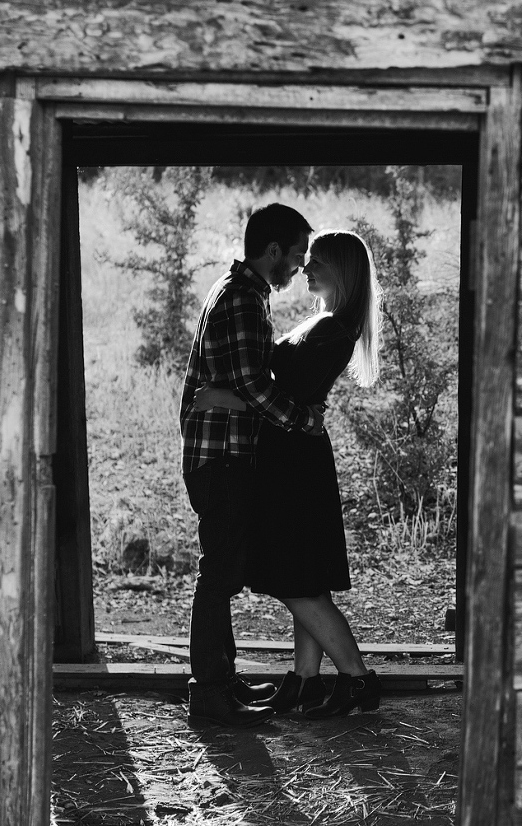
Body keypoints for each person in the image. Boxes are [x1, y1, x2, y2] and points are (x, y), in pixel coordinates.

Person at [194, 229, 383, 720]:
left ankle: (359, 679)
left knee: (296, 581)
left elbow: (280, 399)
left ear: (341, 270)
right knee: (303, 576)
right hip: (291, 456)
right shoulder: (323, 321)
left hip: (295, 462)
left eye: (316, 261)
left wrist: (219, 398)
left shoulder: (334, 330)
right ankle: (303, 679)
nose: (306, 268)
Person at [178, 203, 324, 728]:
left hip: (220, 452)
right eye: (296, 256)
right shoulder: (242, 300)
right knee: (218, 572)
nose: (299, 267)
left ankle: (223, 677)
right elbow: (254, 386)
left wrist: (227, 398)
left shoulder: (242, 291)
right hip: (219, 457)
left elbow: (235, 388)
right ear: (273, 251)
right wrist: (302, 420)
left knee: (225, 565)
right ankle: (210, 691)